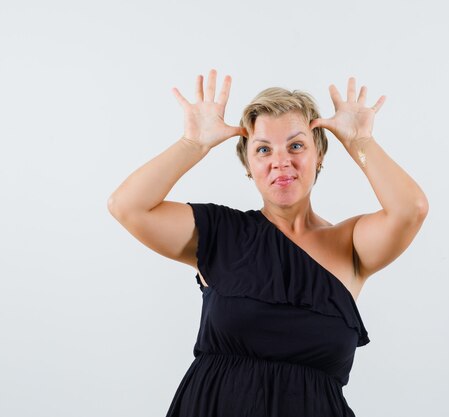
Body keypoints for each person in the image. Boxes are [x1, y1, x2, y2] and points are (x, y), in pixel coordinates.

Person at [107, 68, 428, 417]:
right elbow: (127, 206)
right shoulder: (218, 232)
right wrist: (192, 144)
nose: (281, 161)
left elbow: (410, 209)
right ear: (248, 163)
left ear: (319, 154)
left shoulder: (349, 244)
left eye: (296, 145)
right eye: (263, 149)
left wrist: (360, 143)